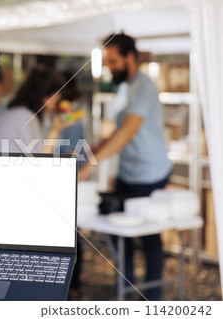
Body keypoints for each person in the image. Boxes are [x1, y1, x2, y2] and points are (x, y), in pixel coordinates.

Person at [79, 33, 172, 300]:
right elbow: (121, 129)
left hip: (150, 174)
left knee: (149, 235)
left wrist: (92, 164)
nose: (110, 67)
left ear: (130, 57)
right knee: (118, 231)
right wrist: (98, 146)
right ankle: (127, 286)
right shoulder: (124, 87)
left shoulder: (145, 86)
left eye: (113, 61)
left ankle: (153, 297)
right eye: (107, 62)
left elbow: (129, 131)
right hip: (127, 172)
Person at [0, 66, 74, 153]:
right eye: (55, 100)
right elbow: (40, 161)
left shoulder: (19, 114)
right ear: (46, 98)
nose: (54, 105)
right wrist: (56, 129)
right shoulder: (24, 117)